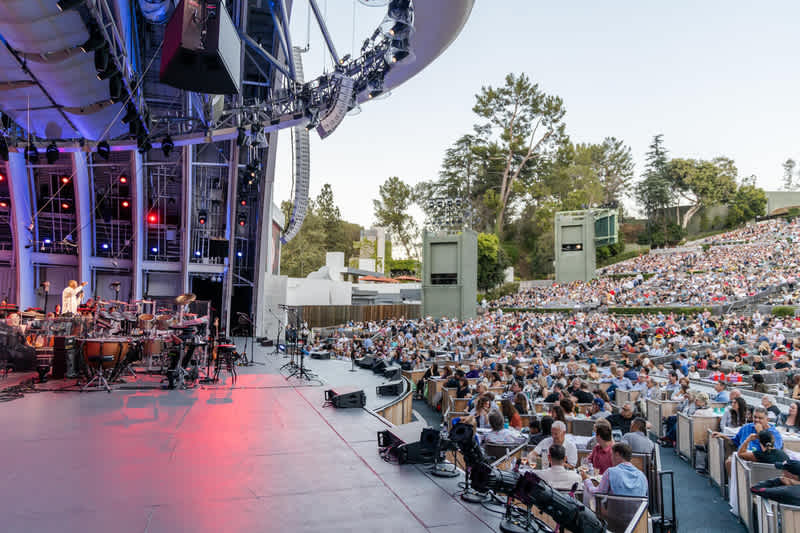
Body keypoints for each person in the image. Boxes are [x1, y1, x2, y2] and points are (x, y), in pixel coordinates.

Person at [712, 407, 784, 475]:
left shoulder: (774, 434)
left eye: (760, 418)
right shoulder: (746, 427)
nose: (757, 420)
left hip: (759, 461)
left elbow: (771, 452)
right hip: (742, 457)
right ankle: (735, 486)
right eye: (755, 417)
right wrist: (722, 435)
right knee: (729, 462)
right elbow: (734, 441)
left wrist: (760, 432)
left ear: (767, 420)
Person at [581, 443, 648, 504]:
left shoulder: (610, 472)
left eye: (611, 455)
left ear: (617, 455)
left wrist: (586, 480)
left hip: (614, 515)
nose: (611, 458)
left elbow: (597, 493)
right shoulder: (642, 476)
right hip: (638, 515)